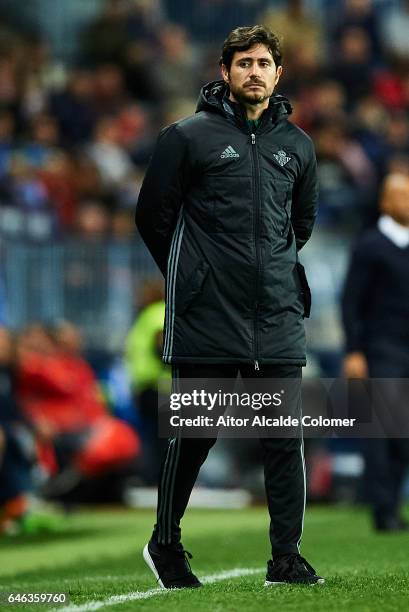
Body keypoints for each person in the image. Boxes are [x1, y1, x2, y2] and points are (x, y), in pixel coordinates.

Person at [135, 25, 324, 588]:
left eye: (264, 62)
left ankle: (285, 557)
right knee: (196, 433)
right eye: (243, 62)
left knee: (284, 437)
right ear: (224, 71)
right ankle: (165, 543)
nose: (254, 72)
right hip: (206, 314)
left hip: (277, 315)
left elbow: (302, 225)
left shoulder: (299, 146)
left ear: (278, 73)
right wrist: (194, 274)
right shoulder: (185, 137)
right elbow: (152, 217)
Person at [342, 169, 409, 531]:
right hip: (383, 348)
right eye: (401, 195)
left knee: (403, 435)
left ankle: (394, 504)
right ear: (385, 202)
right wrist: (354, 351)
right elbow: (351, 302)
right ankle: (382, 510)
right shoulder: (370, 245)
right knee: (384, 430)